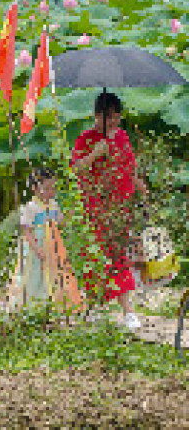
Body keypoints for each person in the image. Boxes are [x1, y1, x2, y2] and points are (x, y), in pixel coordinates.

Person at [70, 91, 149, 330]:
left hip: (121, 206)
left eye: (116, 117)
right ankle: (105, 309)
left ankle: (117, 310)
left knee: (117, 255)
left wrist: (141, 187)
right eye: (108, 117)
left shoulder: (122, 136)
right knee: (98, 256)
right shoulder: (85, 139)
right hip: (97, 207)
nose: (113, 121)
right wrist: (96, 153)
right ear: (96, 116)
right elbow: (76, 169)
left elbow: (129, 167)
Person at [8, 167, 85, 313]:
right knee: (35, 272)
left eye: (53, 188)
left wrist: (71, 214)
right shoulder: (31, 207)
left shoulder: (53, 205)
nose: (51, 192)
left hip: (54, 246)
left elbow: (60, 222)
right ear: (35, 189)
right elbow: (26, 231)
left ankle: (54, 299)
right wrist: (37, 248)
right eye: (47, 189)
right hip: (37, 245)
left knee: (55, 271)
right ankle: (30, 301)